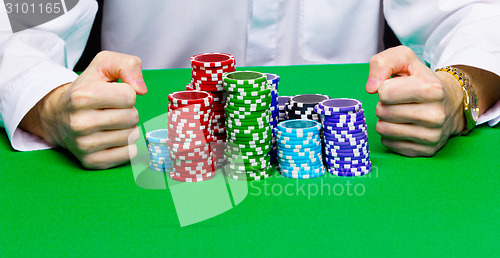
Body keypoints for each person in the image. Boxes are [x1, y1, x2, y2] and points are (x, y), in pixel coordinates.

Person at [1, 0, 499, 169]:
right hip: (145, 160)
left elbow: (473, 11)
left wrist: (460, 90)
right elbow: (21, 18)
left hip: (353, 166)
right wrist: (49, 102)